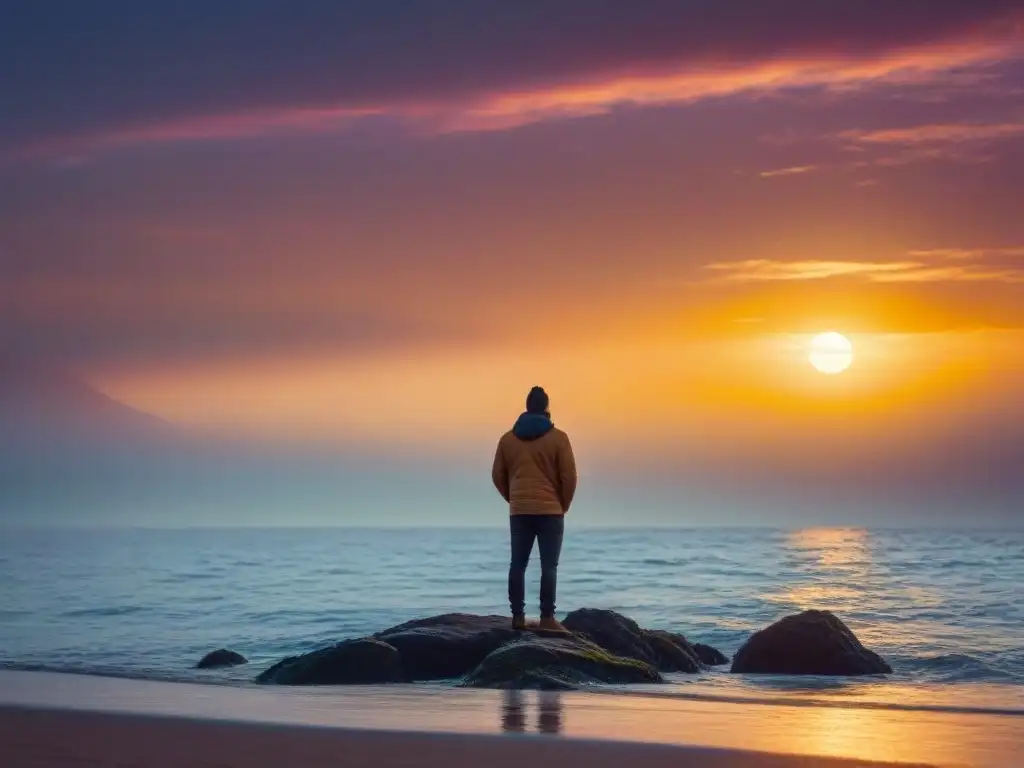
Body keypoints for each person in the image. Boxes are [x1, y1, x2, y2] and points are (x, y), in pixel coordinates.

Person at [491, 386, 578, 631]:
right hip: (550, 510)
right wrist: (564, 503)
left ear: (527, 407)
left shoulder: (507, 439)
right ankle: (547, 618)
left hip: (520, 511)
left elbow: (497, 474)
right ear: (547, 408)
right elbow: (569, 476)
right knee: (549, 565)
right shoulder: (559, 438)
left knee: (517, 564)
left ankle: (517, 617)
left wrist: (513, 497)